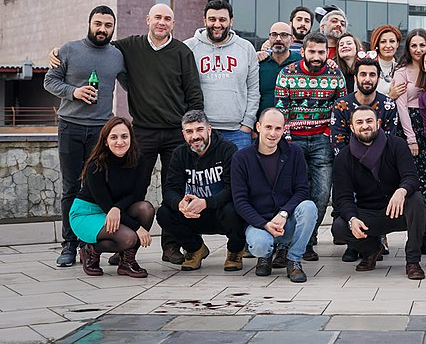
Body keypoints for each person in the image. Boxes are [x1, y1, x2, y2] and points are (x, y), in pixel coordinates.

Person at [51, 3, 204, 265]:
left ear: (173, 23)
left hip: (173, 133)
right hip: (142, 131)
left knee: (173, 189)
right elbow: (96, 45)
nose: (162, 22)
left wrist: (190, 129)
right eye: (157, 17)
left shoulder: (181, 51)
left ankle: (169, 246)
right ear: (147, 19)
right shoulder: (128, 46)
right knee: (135, 186)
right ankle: (106, 246)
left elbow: (194, 94)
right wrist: (56, 52)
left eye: (167, 18)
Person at [44, 5, 127, 267]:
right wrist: (74, 92)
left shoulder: (118, 56)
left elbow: (133, 84)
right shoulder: (68, 50)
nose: (102, 29)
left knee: (97, 187)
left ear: (113, 28)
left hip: (102, 131)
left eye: (108, 25)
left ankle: (89, 244)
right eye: (98, 24)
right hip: (70, 127)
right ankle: (68, 244)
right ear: (89, 23)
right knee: (71, 187)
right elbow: (49, 81)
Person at [331, 106, 426, 280]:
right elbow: (342, 197)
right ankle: (371, 249)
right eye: (359, 122)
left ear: (378, 123)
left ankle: (413, 261)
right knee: (339, 227)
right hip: (369, 213)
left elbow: (411, 177)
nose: (365, 126)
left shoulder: (396, 144)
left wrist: (402, 190)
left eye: (369, 121)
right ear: (352, 127)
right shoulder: (343, 158)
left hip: (398, 209)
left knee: (417, 200)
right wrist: (353, 219)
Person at [275, 32, 347, 261]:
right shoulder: (287, 73)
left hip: (322, 139)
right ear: (303, 51)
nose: (317, 56)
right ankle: (285, 243)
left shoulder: (335, 73)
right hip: (292, 139)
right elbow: (281, 110)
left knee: (322, 192)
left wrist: (328, 134)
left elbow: (341, 107)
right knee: (291, 191)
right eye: (312, 51)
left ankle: (308, 239)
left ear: (327, 52)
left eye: (321, 52)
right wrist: (286, 142)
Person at [231, 108, 317, 283]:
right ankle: (266, 256)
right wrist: (264, 224)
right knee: (260, 245)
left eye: (278, 129)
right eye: (268, 127)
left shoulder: (295, 153)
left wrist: (284, 213)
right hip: (259, 223)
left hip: (287, 221)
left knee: (309, 207)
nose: (272, 133)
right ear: (258, 127)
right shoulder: (241, 158)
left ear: (284, 130)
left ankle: (293, 260)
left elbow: (302, 190)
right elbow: (240, 201)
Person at [156, 110, 246, 272]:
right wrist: (180, 204)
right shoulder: (180, 154)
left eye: (199, 130)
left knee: (235, 208)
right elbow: (170, 189)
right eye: (189, 132)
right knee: (164, 213)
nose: (195, 136)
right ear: (183, 134)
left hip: (222, 212)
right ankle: (195, 248)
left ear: (209, 129)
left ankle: (235, 250)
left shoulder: (227, 149)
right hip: (195, 213)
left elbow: (233, 189)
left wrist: (206, 202)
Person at [68, 117, 153, 278]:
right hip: (87, 213)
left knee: (146, 208)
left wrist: (117, 208)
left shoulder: (140, 160)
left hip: (114, 209)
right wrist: (137, 227)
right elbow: (105, 204)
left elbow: (138, 194)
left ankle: (127, 262)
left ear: (131, 138)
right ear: (106, 141)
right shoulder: (96, 165)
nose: (120, 142)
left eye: (124, 136)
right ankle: (90, 251)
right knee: (128, 237)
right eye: (114, 137)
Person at [185, 0, 259, 150]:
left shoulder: (245, 48)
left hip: (238, 132)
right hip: (201, 130)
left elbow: (253, 89)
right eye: (212, 19)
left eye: (222, 20)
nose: (217, 24)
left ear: (231, 21)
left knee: (238, 174)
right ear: (204, 20)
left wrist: (247, 124)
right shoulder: (189, 47)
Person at [392, 29, 426, 248]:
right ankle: (416, 234)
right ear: (408, 48)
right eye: (414, 46)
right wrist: (410, 138)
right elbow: (400, 106)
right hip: (410, 126)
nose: (418, 50)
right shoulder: (402, 72)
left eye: (422, 45)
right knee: (416, 179)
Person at [331, 57, 398, 156]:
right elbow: (338, 142)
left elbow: (389, 141)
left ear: (378, 79)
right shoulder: (341, 105)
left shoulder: (388, 105)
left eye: (372, 75)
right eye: (363, 74)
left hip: (380, 162)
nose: (367, 79)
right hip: (349, 163)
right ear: (355, 78)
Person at [257, 22, 302, 114]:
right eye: (274, 35)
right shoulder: (259, 63)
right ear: (269, 38)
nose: (278, 39)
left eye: (284, 35)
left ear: (292, 39)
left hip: (294, 123)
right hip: (262, 123)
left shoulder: (301, 62)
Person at [370, 25, 402, 96]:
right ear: (377, 44)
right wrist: (390, 96)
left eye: (392, 41)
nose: (388, 45)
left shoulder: (400, 68)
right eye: (383, 42)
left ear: (397, 44)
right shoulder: (367, 67)